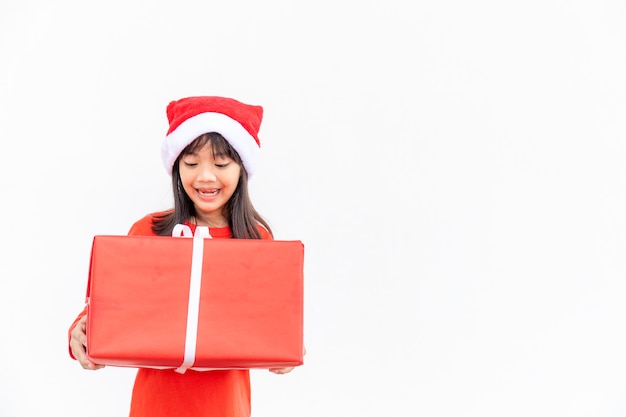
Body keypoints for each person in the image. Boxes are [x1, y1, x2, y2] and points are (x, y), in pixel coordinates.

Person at [68, 95, 303, 417]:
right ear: (176, 167)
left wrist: (285, 346)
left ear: (242, 169)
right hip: (155, 405)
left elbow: (267, 322)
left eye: (221, 164)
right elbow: (110, 310)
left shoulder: (257, 241)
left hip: (226, 406)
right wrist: (81, 330)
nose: (205, 176)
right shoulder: (148, 231)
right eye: (191, 163)